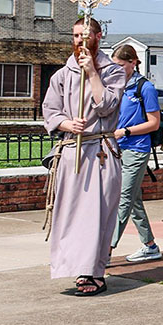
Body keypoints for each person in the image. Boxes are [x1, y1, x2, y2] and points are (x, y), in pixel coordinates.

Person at [41, 17, 125, 296]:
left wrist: (92, 74)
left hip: (100, 151)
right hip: (71, 153)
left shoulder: (113, 71)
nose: (79, 40)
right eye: (76, 35)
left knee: (97, 215)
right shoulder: (62, 74)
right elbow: (51, 111)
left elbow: (107, 106)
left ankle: (95, 272)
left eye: (85, 35)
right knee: (71, 215)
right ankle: (75, 267)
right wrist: (67, 124)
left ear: (98, 36)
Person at [109, 45, 162, 263]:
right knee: (133, 200)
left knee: (124, 199)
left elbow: (154, 123)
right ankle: (150, 245)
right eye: (115, 66)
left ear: (133, 62)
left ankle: (106, 249)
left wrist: (126, 131)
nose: (118, 70)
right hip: (117, 148)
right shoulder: (116, 87)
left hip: (137, 149)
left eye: (121, 65)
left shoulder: (145, 88)